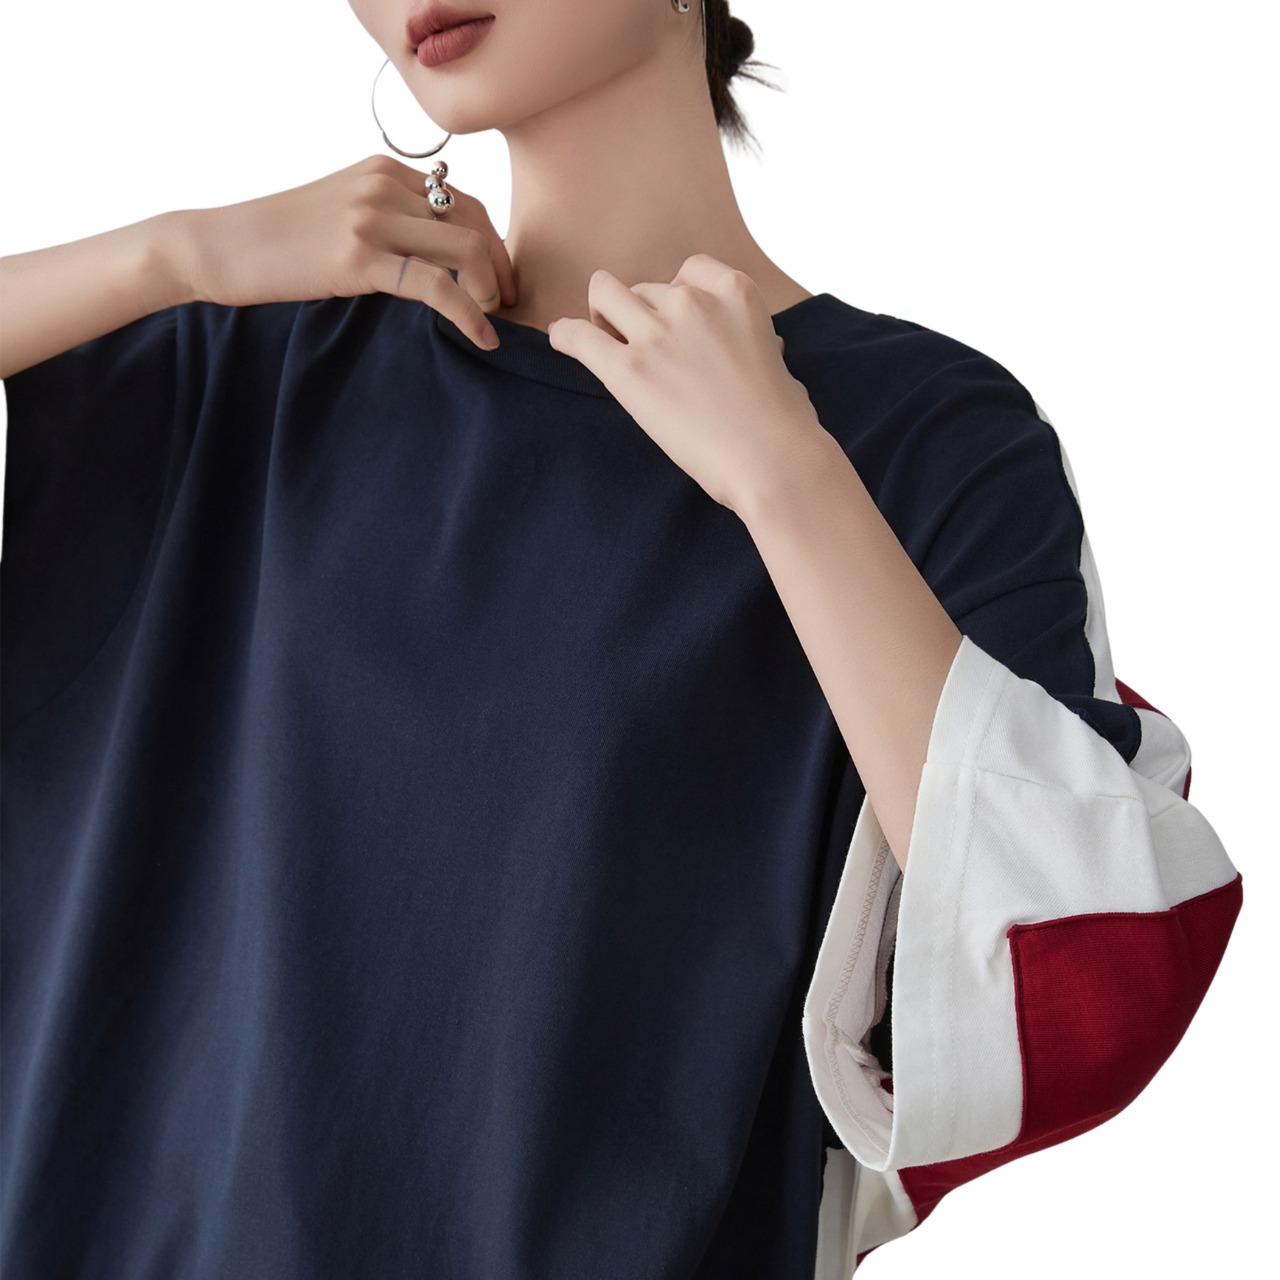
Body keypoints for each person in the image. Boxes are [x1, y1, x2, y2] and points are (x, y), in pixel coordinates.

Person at [0, 2, 1244, 1276]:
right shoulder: (228, 362)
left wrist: (785, 478)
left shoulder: (923, 442)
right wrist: (169, 255)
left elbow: (1076, 960)